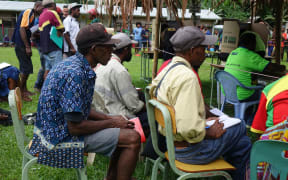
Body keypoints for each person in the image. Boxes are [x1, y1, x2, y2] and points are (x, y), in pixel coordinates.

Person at [28, 23, 141, 180]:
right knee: (132, 138)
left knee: (123, 127)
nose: (112, 50)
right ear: (94, 49)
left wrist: (110, 118)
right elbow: (74, 127)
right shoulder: (76, 74)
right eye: (107, 47)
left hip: (52, 131)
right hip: (56, 140)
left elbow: (80, 110)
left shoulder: (75, 64)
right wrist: (112, 123)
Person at [150, 26, 251, 180]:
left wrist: (202, 122)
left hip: (171, 145)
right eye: (203, 49)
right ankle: (239, 175)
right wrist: (207, 131)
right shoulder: (188, 77)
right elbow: (188, 128)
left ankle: (234, 172)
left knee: (240, 143)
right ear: (192, 51)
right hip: (191, 152)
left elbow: (179, 115)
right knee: (240, 127)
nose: (206, 53)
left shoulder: (168, 69)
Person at [224, 32, 285, 125]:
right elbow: (271, 67)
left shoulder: (233, 52)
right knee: (265, 93)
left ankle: (247, 116)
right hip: (243, 94)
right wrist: (283, 67)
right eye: (254, 43)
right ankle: (252, 119)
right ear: (251, 43)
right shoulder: (250, 55)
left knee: (255, 84)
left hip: (228, 92)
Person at [93, 33, 149, 131]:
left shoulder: (102, 63)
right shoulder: (119, 70)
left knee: (140, 95)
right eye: (131, 48)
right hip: (118, 116)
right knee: (155, 119)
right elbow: (134, 106)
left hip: (103, 111)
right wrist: (150, 107)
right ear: (126, 49)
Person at [11, 1, 43, 99]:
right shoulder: (28, 12)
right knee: (26, 68)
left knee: (26, 67)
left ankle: (24, 90)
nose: (43, 10)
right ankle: (20, 93)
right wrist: (27, 46)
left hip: (23, 44)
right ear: (37, 6)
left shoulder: (33, 16)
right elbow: (22, 29)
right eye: (42, 8)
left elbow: (27, 29)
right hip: (21, 44)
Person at [39, 0, 64, 79]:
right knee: (58, 72)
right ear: (53, 5)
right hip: (54, 47)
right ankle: (57, 90)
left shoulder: (41, 15)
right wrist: (60, 31)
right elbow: (61, 27)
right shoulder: (52, 13)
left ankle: (45, 89)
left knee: (48, 71)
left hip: (45, 48)